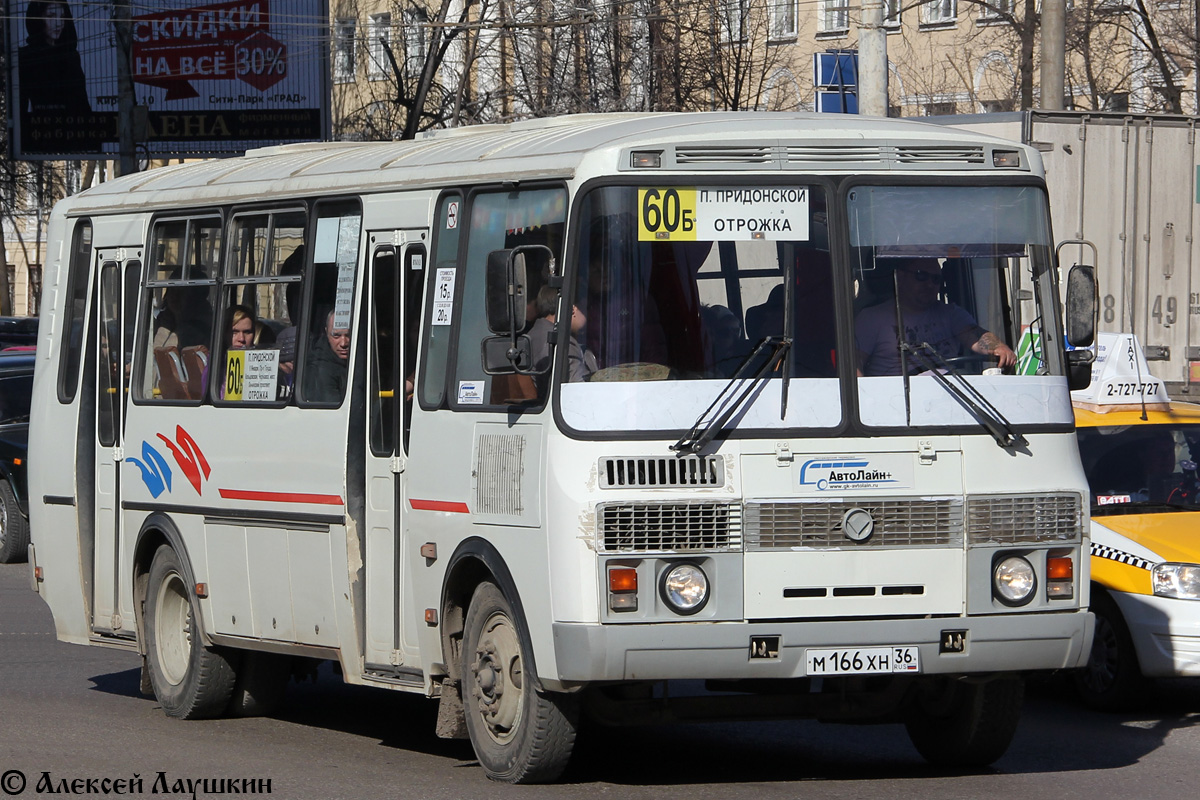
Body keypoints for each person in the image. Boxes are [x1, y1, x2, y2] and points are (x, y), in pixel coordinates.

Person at [856, 257, 1017, 377]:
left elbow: (974, 335)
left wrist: (998, 347)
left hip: (950, 392)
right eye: (921, 276)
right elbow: (854, 364)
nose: (929, 284)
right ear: (900, 277)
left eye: (936, 279)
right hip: (898, 401)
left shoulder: (951, 314)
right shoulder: (872, 318)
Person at [18, 1, 90, 116]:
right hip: (42, 127)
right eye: (51, 16)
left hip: (74, 127)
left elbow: (82, 101)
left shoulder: (70, 55)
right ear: (38, 19)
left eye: (62, 17)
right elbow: (20, 107)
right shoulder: (26, 56)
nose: (59, 23)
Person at [529, 287, 597, 383]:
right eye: (587, 308)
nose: (589, 314)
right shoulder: (564, 344)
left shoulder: (534, 334)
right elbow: (577, 388)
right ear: (573, 309)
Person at [305, 309, 351, 402]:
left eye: (349, 335)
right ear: (326, 332)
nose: (343, 343)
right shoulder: (320, 369)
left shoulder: (363, 361)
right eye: (336, 335)